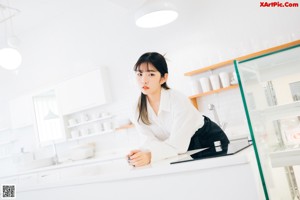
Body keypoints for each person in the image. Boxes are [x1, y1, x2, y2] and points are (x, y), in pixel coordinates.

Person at [127, 52, 229, 167]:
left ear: (163, 78)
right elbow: (148, 140)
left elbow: (178, 145)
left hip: (208, 142)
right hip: (179, 150)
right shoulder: (136, 108)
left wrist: (150, 155)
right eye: (139, 74)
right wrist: (141, 154)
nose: (143, 80)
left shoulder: (178, 100)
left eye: (151, 74)